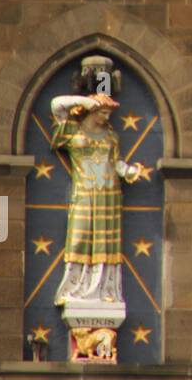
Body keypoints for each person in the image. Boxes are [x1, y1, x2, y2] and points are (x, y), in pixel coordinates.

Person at [50, 93, 140, 306]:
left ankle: (104, 290)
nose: (107, 117)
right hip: (84, 192)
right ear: (92, 110)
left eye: (109, 113)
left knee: (105, 243)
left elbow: (115, 162)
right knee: (79, 237)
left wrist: (128, 171)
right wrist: (82, 101)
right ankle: (74, 288)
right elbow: (57, 105)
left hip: (109, 193)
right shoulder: (73, 130)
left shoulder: (111, 136)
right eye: (103, 112)